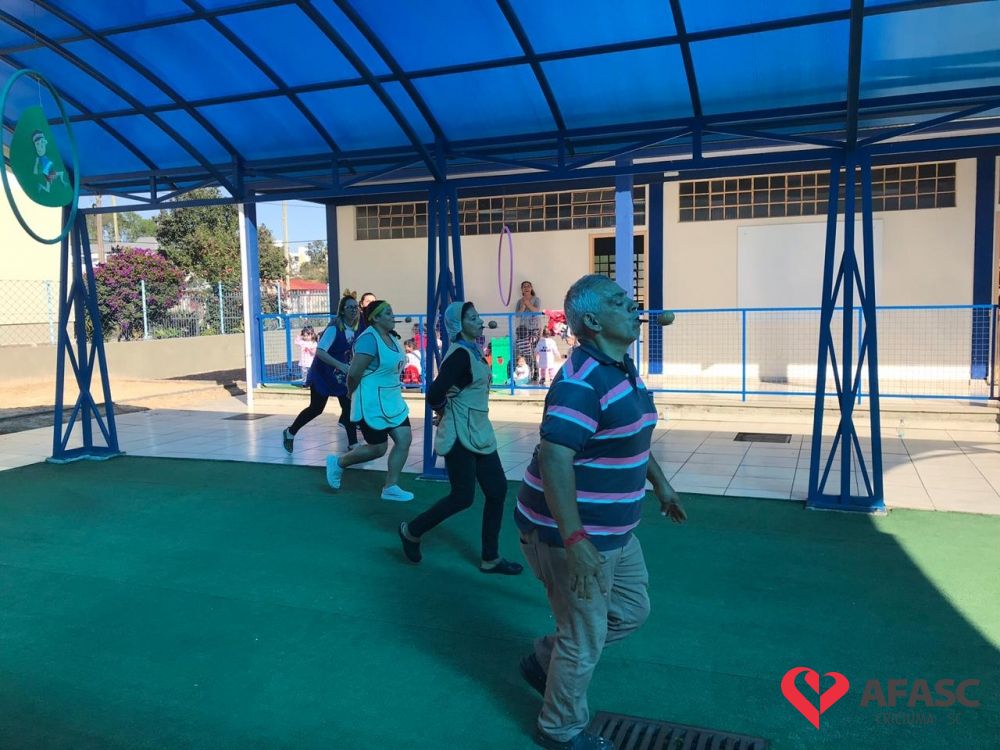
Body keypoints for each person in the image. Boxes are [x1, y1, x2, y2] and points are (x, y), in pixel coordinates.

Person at [515, 274, 687, 750]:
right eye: (618, 301)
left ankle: (545, 660)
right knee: (583, 634)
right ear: (591, 321)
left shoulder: (621, 367)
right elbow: (555, 459)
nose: (632, 305)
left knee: (630, 610)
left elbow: (630, 435)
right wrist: (575, 540)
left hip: (614, 532)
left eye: (628, 299)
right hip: (568, 534)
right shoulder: (580, 383)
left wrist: (661, 485)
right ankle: (560, 729)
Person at [398, 301, 522, 574]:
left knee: (497, 489)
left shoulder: (472, 351)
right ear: (458, 325)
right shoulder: (460, 355)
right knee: (462, 496)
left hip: (479, 430)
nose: (480, 321)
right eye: (473, 318)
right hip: (459, 434)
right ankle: (412, 531)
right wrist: (444, 412)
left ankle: (490, 557)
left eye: (478, 317)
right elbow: (434, 393)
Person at [326, 299, 414, 502]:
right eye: (388, 313)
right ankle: (338, 463)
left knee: (404, 439)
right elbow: (354, 373)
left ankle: (391, 487)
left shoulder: (392, 337)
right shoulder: (368, 340)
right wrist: (351, 393)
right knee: (378, 448)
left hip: (392, 399)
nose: (393, 316)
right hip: (371, 401)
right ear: (375, 318)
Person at [283, 296, 359, 453]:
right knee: (316, 408)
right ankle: (290, 432)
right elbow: (320, 351)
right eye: (350, 307)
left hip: (340, 375)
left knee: (348, 407)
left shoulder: (354, 329)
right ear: (342, 311)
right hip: (323, 374)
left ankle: (353, 444)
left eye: (355, 307)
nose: (354, 310)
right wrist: (340, 365)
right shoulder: (334, 329)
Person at [514, 280, 542, 381]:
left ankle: (536, 372)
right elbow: (517, 315)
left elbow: (536, 311)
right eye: (524, 286)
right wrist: (523, 306)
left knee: (534, 351)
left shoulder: (536, 299)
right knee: (525, 352)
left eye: (528, 286)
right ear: (522, 289)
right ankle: (527, 372)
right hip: (523, 330)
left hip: (534, 328)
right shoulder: (519, 301)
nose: (526, 288)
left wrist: (527, 303)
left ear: (531, 288)